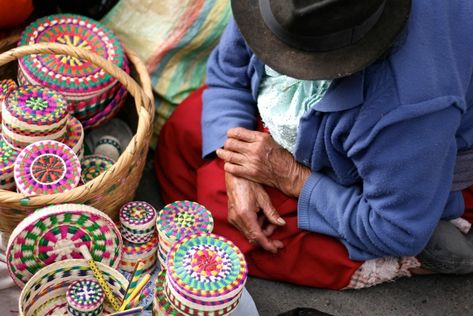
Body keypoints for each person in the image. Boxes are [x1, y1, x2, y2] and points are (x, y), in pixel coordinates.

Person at [155, 0, 473, 289]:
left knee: (238, 233)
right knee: (185, 130)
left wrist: (291, 176)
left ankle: (408, 253)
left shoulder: (409, 104)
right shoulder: (278, 7)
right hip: (339, 131)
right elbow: (229, 71)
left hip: (411, 165)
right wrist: (235, 166)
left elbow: (395, 227)